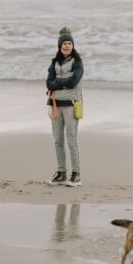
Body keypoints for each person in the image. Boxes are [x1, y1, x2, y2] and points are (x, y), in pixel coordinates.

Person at [46, 26, 84, 186]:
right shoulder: (54, 62)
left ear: (73, 45)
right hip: (55, 105)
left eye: (69, 43)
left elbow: (73, 81)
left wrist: (58, 83)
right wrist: (61, 83)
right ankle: (61, 173)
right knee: (58, 141)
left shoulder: (78, 62)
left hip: (71, 105)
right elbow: (48, 82)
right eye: (64, 43)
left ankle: (76, 174)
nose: (67, 46)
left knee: (71, 140)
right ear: (60, 46)